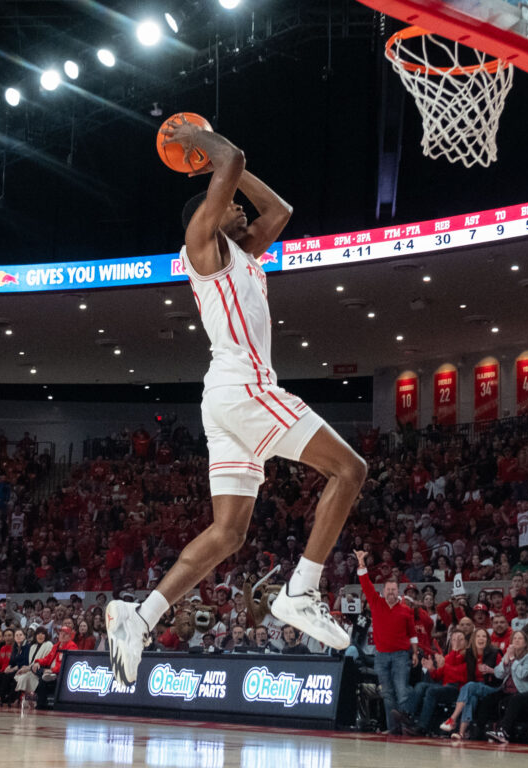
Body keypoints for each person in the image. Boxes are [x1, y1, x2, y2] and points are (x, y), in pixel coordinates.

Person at [106, 117, 365, 685]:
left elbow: (279, 212)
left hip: (224, 400)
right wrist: (201, 142)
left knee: (229, 533)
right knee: (350, 468)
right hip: (244, 388)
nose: (240, 211)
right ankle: (301, 590)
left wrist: (229, 169)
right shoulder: (201, 244)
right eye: (229, 206)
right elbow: (233, 161)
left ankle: (139, 618)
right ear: (207, 213)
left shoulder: (244, 253)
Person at [355, 550, 418, 734]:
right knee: (387, 694)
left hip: (400, 655)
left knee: (402, 691)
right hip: (381, 656)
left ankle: (407, 727)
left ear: (398, 591)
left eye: (393, 589)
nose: (391, 592)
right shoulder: (375, 602)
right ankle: (394, 729)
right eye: (388, 589)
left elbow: (413, 633)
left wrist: (414, 653)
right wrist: (361, 563)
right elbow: (365, 584)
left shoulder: (406, 610)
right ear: (384, 591)